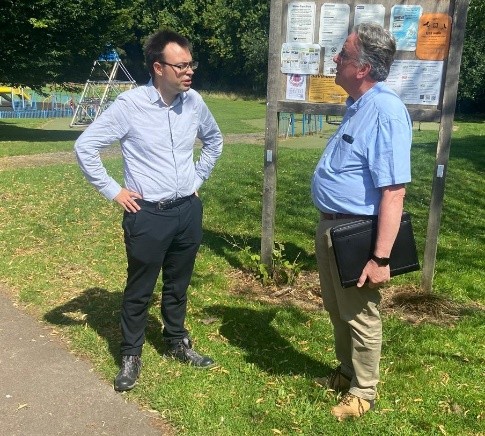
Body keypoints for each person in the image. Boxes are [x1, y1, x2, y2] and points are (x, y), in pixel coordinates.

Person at [74, 29, 223, 392]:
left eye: (191, 64)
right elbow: (85, 146)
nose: (190, 71)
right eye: (181, 65)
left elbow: (215, 140)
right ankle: (131, 354)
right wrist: (114, 190)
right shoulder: (130, 106)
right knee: (140, 288)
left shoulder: (194, 102)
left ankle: (177, 341)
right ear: (158, 67)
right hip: (148, 214)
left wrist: (196, 177)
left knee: (178, 284)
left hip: (187, 210)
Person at [311, 23, 412, 420]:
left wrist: (381, 259)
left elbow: (393, 192)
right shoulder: (358, 105)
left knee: (361, 313)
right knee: (337, 308)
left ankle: (364, 392)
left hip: (357, 233)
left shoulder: (385, 111)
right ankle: (346, 370)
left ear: (363, 68)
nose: (335, 59)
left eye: (343, 55)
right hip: (332, 226)